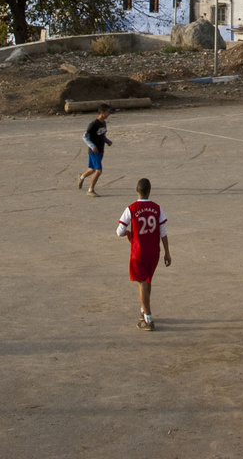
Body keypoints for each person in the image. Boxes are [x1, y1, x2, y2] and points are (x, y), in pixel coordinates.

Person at [116, 177, 170, 330]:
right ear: (150, 191)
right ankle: (143, 310)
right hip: (154, 252)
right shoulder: (157, 208)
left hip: (138, 253)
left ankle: (148, 318)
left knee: (141, 283)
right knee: (147, 281)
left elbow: (119, 230)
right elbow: (163, 232)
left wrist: (127, 233)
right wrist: (167, 252)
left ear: (136, 190)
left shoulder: (131, 209)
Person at [77, 104, 113, 196]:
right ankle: (90, 190)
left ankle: (81, 177)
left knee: (92, 169)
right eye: (107, 112)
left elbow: (101, 135)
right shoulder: (93, 124)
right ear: (102, 112)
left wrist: (107, 141)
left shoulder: (104, 123)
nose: (109, 114)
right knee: (98, 171)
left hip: (100, 150)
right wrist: (92, 146)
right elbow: (85, 137)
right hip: (94, 151)